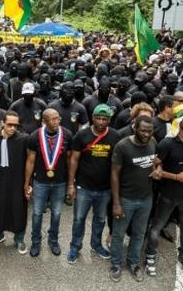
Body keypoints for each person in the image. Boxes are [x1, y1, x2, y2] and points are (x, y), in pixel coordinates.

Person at [145, 109, 183, 276]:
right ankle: (150, 256)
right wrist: (175, 177)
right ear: (178, 123)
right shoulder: (166, 144)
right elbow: (154, 168)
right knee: (157, 226)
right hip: (168, 195)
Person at [67, 104, 120, 263]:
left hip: (105, 189)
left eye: (105, 119)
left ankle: (96, 245)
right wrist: (71, 184)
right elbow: (74, 160)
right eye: (98, 118)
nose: (102, 122)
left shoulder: (115, 136)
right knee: (79, 219)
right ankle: (75, 246)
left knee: (100, 220)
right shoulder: (82, 135)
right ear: (92, 118)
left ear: (109, 120)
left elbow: (117, 164)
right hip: (84, 187)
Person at [109, 115, 157, 282]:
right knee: (118, 234)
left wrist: (157, 170)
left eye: (149, 131)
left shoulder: (153, 142)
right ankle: (115, 264)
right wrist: (116, 203)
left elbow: (153, 163)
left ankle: (133, 263)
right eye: (143, 130)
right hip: (126, 199)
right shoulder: (122, 146)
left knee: (139, 234)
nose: (146, 134)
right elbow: (114, 175)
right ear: (135, 127)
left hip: (146, 198)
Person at [24, 108, 72, 257]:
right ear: (44, 121)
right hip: (40, 182)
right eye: (53, 119)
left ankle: (53, 240)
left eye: (58, 118)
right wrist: (27, 183)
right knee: (37, 213)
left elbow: (70, 160)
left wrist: (71, 182)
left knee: (57, 214)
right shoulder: (34, 137)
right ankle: (36, 242)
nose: (57, 121)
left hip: (60, 182)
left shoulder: (67, 135)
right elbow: (30, 161)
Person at [0, 111, 29, 253]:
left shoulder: (23, 139)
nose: (13, 128)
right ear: (2, 123)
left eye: (16, 125)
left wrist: (29, 183)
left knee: (18, 209)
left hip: (17, 180)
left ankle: (19, 239)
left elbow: (30, 162)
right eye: (9, 125)